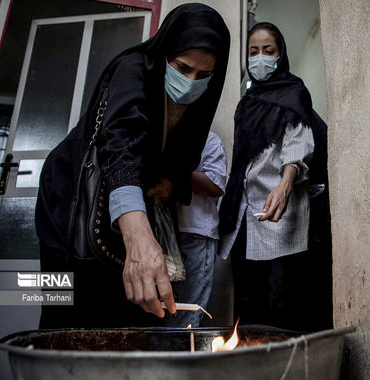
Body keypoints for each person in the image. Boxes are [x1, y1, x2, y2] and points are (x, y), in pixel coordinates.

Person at [35, 3, 230, 328]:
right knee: (63, 314)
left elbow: (177, 160)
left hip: (119, 222)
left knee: (120, 321)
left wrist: (172, 183)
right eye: (182, 68)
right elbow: (121, 142)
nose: (191, 82)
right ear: (166, 52)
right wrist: (138, 235)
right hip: (69, 207)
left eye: (203, 75)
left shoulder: (196, 103)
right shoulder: (132, 68)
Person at [219, 22, 332, 332]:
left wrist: (285, 184)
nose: (260, 58)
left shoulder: (294, 92)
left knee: (281, 300)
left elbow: (298, 142)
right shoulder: (246, 105)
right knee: (247, 301)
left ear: (280, 54)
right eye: (253, 52)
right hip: (245, 214)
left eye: (268, 51)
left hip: (281, 210)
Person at [165, 131, 226, 327]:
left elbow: (216, 185)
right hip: (167, 236)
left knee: (186, 315)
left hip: (196, 235)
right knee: (165, 313)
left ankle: (183, 357)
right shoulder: (166, 136)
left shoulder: (209, 139)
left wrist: (175, 175)